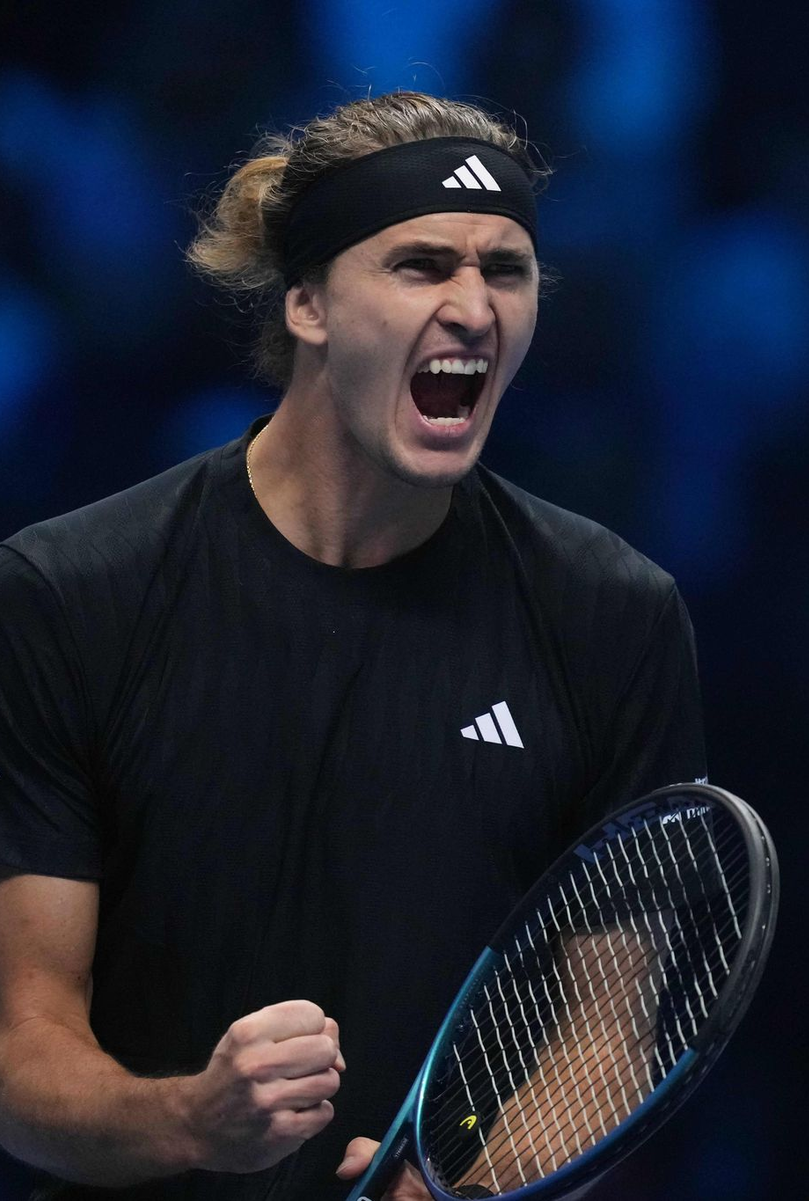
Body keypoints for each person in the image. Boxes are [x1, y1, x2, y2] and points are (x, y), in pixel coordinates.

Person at [0, 91, 706, 1200]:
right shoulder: (69, 595)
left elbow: (607, 1036)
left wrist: (470, 1187)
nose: (475, 307)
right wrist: (195, 1118)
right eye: (421, 265)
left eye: (506, 270)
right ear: (308, 303)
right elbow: (21, 1052)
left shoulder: (613, 616)